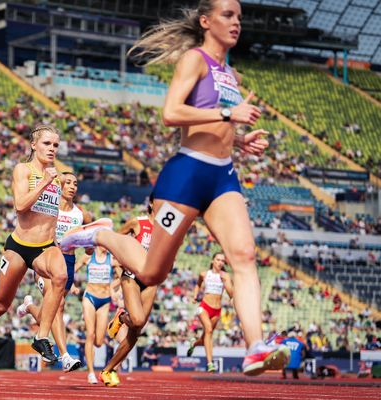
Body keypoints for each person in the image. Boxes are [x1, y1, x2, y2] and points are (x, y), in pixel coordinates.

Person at [61, 0, 289, 376]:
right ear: (205, 21)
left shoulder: (230, 74)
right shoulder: (194, 60)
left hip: (222, 176)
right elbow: (172, 113)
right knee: (151, 273)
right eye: (228, 15)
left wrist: (239, 140)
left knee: (245, 255)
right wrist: (228, 114)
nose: (236, 23)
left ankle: (255, 347)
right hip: (185, 177)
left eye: (240, 18)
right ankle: (101, 235)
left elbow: (217, 126)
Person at [0, 125, 69, 374]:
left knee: (61, 276)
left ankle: (41, 337)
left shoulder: (58, 176)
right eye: (47, 144)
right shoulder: (24, 170)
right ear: (34, 145)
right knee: (1, 305)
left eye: (55, 145)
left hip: (45, 247)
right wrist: (45, 182)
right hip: (19, 247)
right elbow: (20, 206)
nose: (52, 149)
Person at [16, 172, 90, 373]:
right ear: (60, 186)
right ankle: (65, 357)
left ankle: (29, 307)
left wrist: (90, 245)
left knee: (50, 312)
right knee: (58, 307)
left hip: (68, 261)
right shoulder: (49, 208)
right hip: (47, 258)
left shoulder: (81, 215)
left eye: (75, 183)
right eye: (67, 183)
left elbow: (89, 244)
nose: (72, 186)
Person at [100, 194, 158, 387]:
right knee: (138, 319)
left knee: (137, 330)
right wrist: (118, 266)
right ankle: (122, 318)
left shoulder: (167, 229)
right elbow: (115, 240)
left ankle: (108, 371)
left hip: (151, 280)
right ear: (151, 203)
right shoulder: (138, 222)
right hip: (131, 276)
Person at [75, 246, 120, 384]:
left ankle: (92, 321)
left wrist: (113, 289)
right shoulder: (87, 258)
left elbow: (123, 276)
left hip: (105, 301)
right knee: (90, 334)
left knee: (99, 342)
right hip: (89, 297)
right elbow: (70, 271)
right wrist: (72, 286)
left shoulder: (112, 260)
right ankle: (90, 373)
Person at [186, 252, 233, 373]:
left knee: (205, 337)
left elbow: (231, 293)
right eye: (218, 260)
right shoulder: (204, 274)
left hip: (217, 310)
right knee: (209, 330)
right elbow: (198, 284)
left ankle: (194, 343)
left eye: (222, 261)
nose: (220, 262)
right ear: (213, 261)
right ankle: (210, 363)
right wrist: (195, 295)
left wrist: (227, 286)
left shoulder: (226, 276)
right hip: (204, 307)